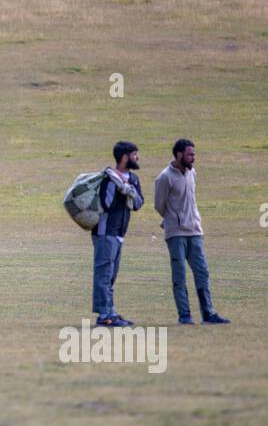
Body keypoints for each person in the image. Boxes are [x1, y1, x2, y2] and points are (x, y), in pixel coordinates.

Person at [154, 139, 231, 325]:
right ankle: (185, 315)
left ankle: (208, 314)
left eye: (194, 154)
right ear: (179, 154)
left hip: (195, 231)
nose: (193, 158)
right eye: (190, 154)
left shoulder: (192, 173)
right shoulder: (165, 177)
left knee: (202, 272)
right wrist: (175, 219)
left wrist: (192, 219)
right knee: (179, 275)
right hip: (176, 233)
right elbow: (159, 205)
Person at [92, 141, 144, 327]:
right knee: (104, 274)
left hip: (120, 232)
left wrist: (128, 188)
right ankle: (104, 314)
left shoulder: (133, 179)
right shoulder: (109, 179)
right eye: (135, 154)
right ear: (124, 157)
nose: (138, 158)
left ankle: (110, 311)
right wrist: (119, 186)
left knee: (111, 275)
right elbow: (107, 204)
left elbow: (138, 204)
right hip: (105, 232)